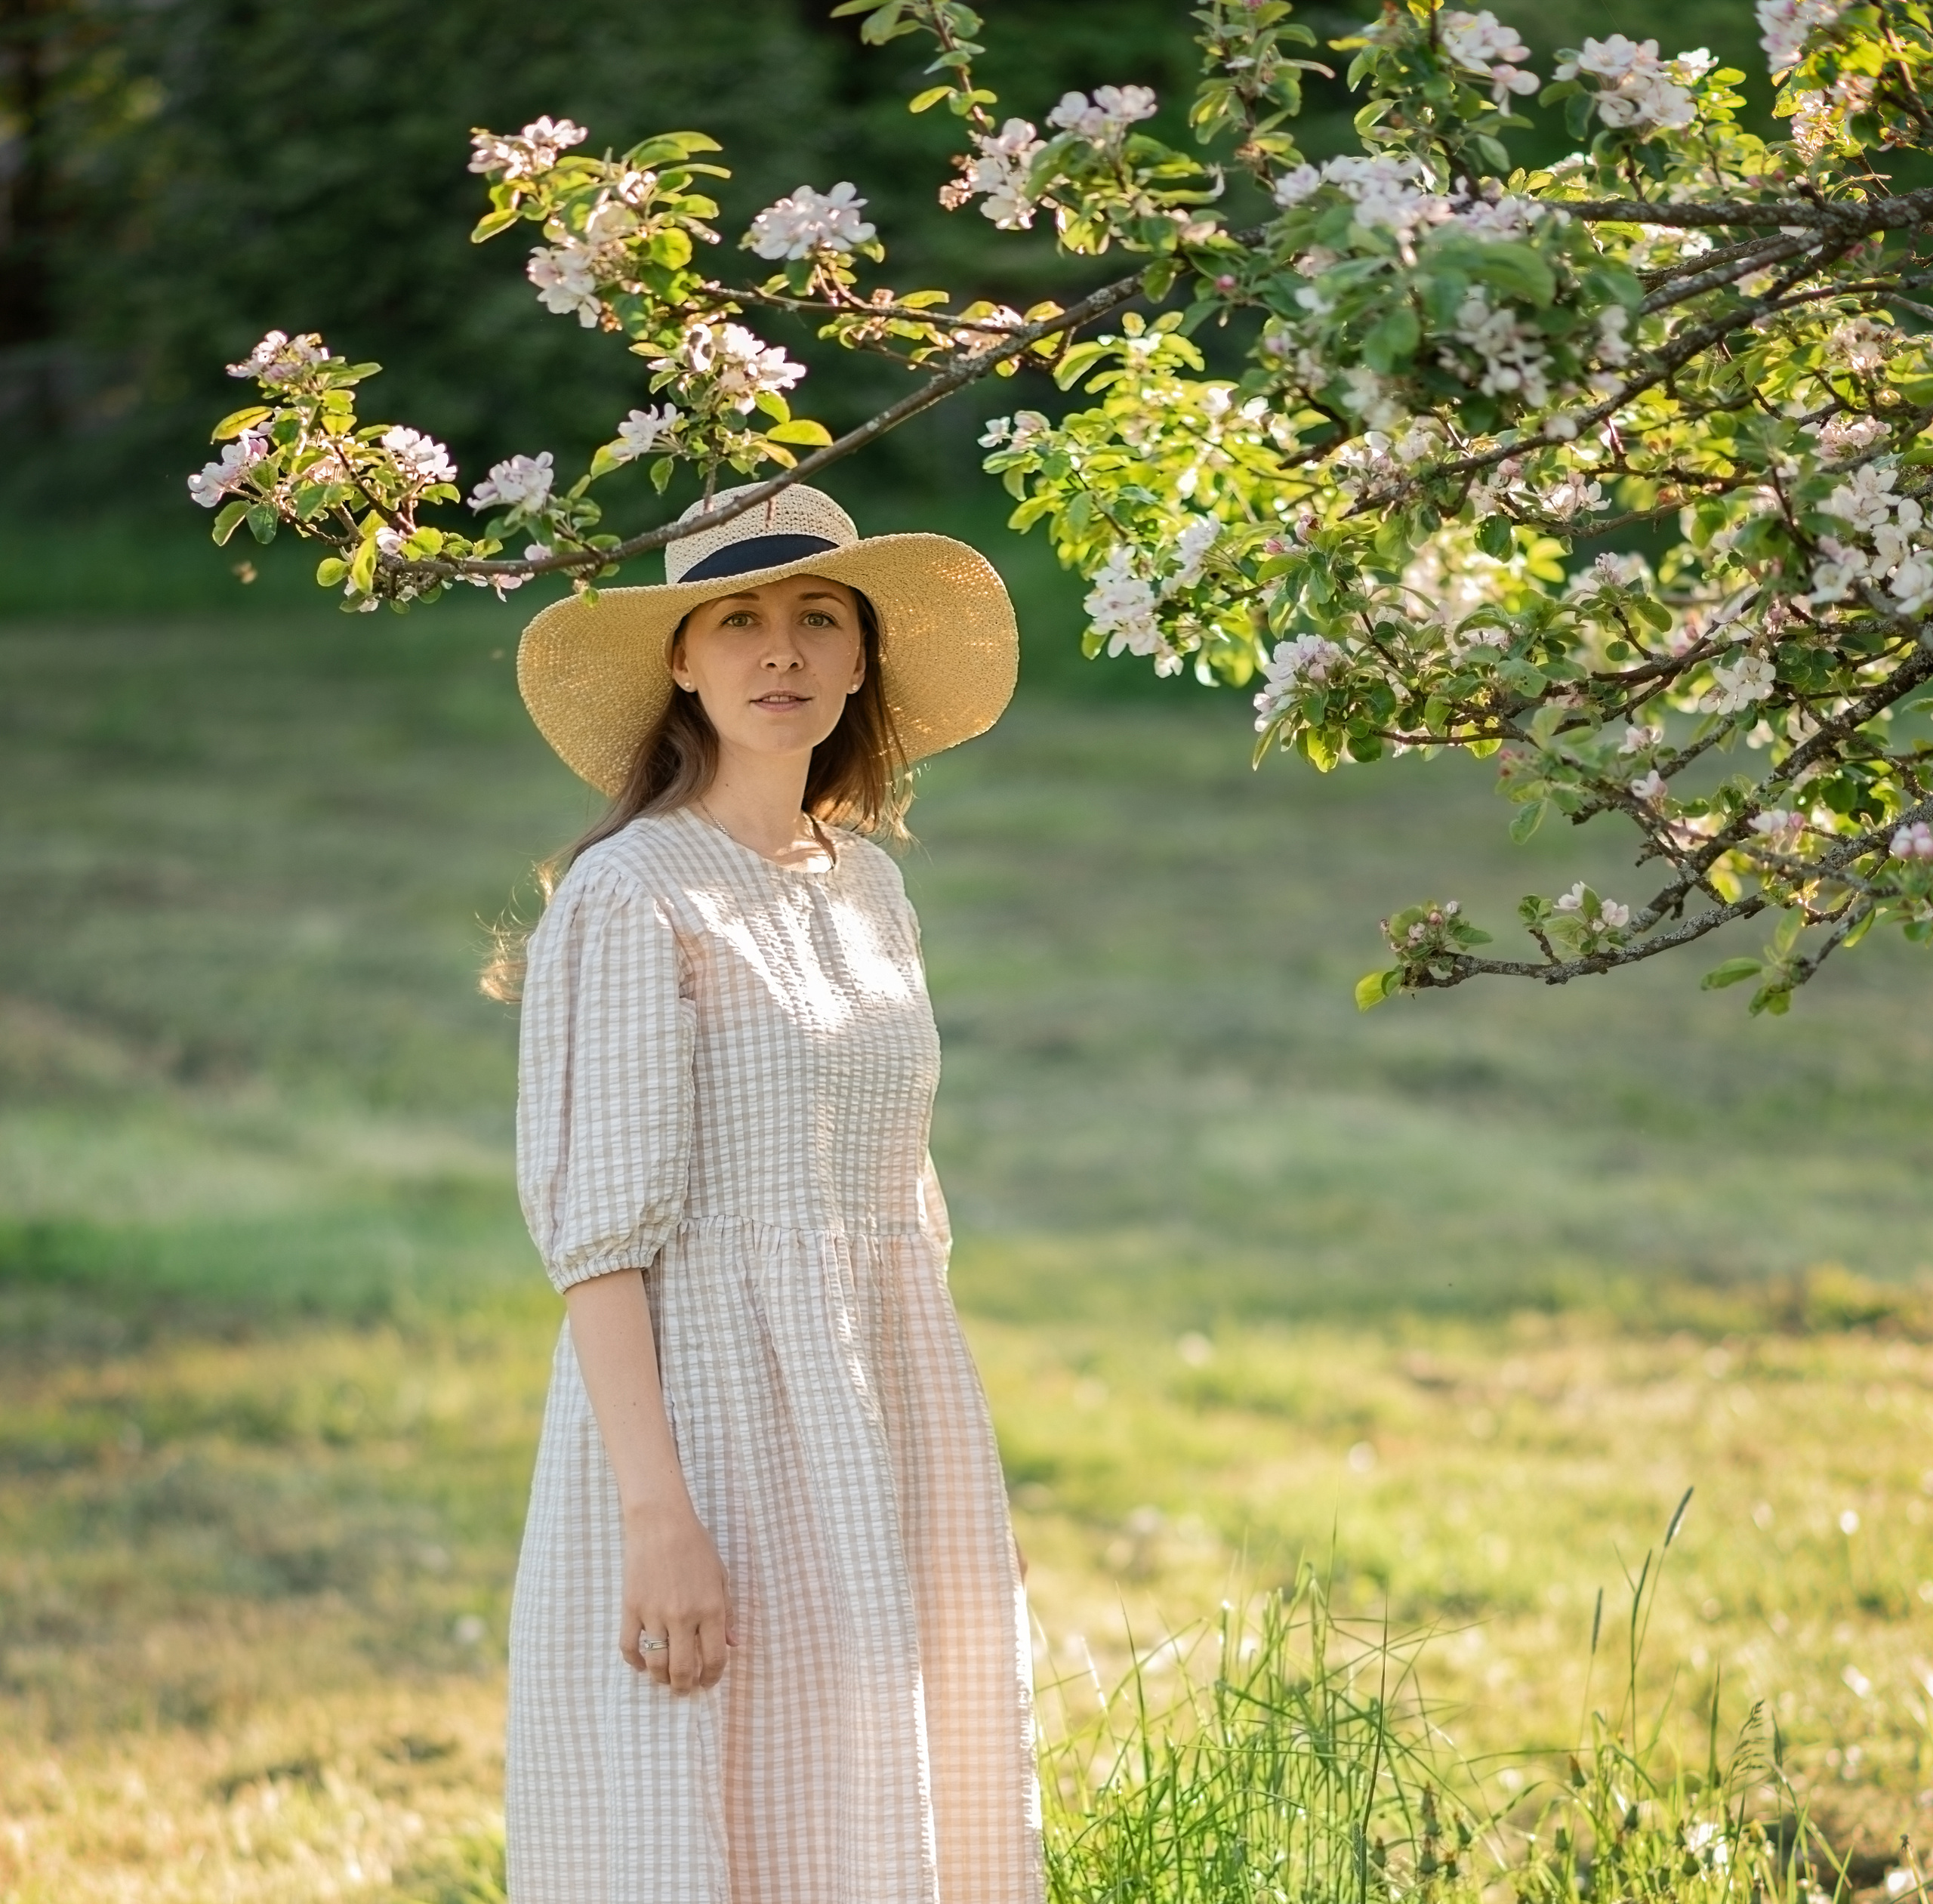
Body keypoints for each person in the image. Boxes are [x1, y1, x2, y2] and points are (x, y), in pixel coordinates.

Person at [501, 483, 1044, 1903]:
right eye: (737, 620)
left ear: (863, 657)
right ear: (683, 658)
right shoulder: (632, 895)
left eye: (817, 618)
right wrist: (656, 1517)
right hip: (711, 1424)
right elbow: (599, 1249)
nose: (780, 651)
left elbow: (895, 1198)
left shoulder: (866, 883)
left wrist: (932, 1451)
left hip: (881, 1406)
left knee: (878, 1801)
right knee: (722, 1803)